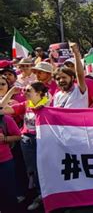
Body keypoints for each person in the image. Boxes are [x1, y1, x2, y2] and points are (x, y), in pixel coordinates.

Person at [1, 82, 50, 211]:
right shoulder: (26, 104)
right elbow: (1, 108)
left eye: (29, 90)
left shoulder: (49, 105)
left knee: (44, 169)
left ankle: (47, 197)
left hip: (44, 141)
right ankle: (39, 195)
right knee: (32, 170)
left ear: (39, 93)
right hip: (27, 141)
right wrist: (11, 92)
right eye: (25, 90)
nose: (25, 93)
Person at [53, 42, 88, 109]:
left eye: (64, 77)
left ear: (72, 78)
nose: (61, 80)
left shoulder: (79, 90)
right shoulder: (57, 96)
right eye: (58, 79)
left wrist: (76, 53)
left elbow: (80, 74)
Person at [0, 114, 21, 212]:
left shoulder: (5, 119)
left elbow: (18, 136)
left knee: (8, 194)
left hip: (5, 162)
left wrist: (5, 138)